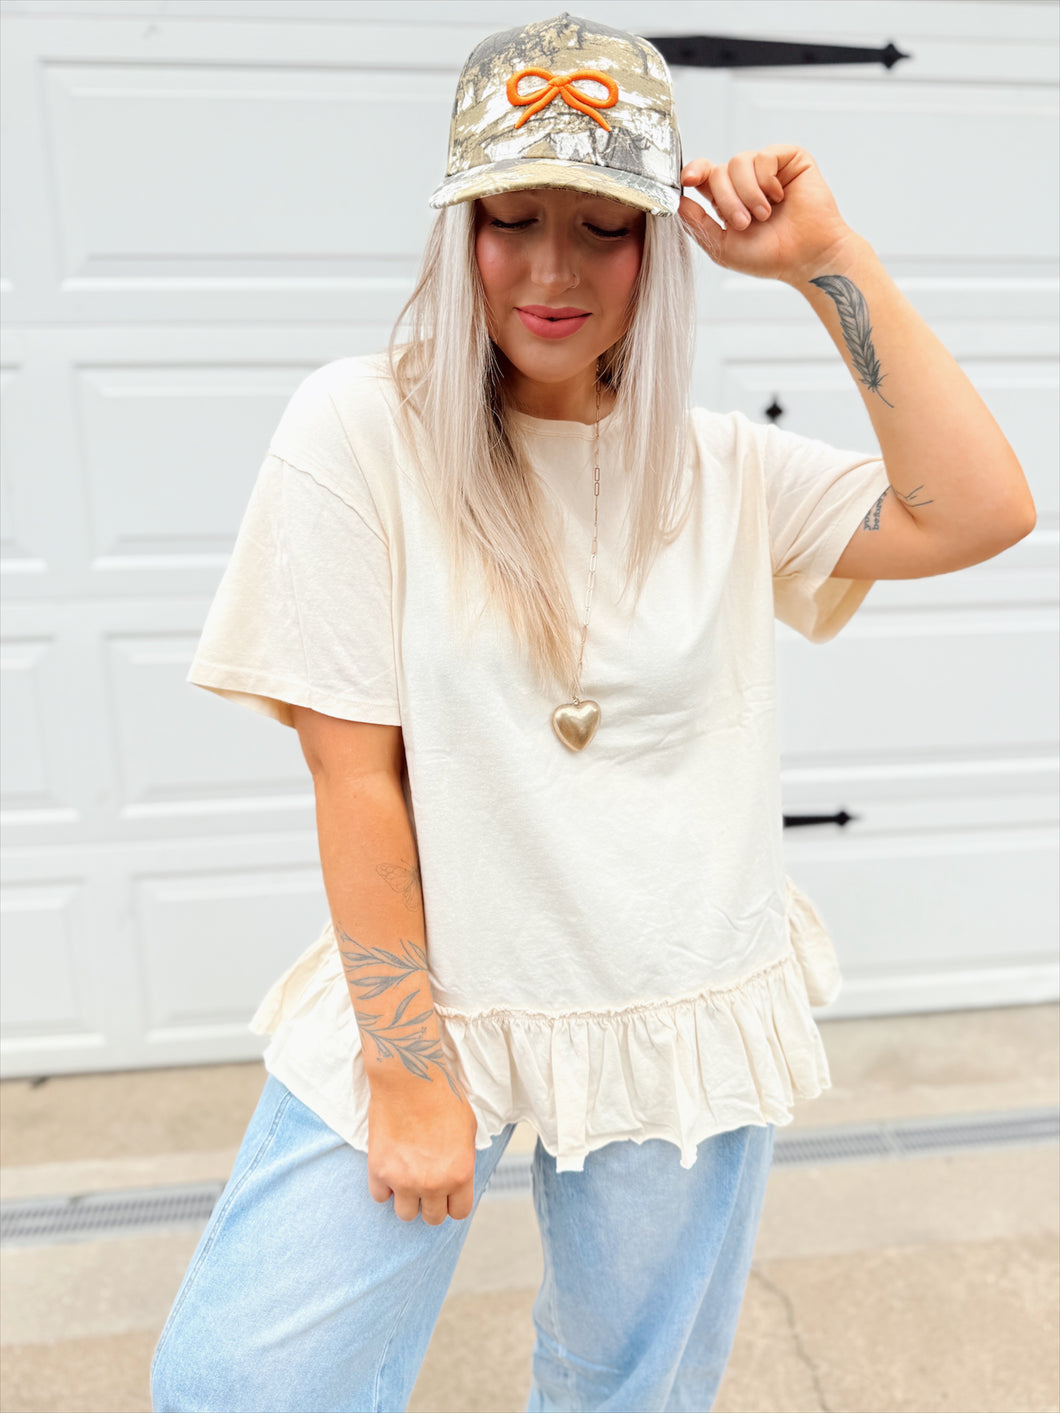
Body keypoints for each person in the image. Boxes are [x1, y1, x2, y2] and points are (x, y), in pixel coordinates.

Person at [149, 12, 1035, 1413]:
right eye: (512, 216)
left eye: (601, 225)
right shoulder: (358, 433)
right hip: (435, 996)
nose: (551, 269)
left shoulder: (720, 472)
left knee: (630, 1393)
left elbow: (981, 507)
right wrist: (408, 1068)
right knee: (244, 1380)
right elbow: (354, 773)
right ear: (462, 229)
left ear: (656, 241)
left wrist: (826, 263)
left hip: (674, 997)